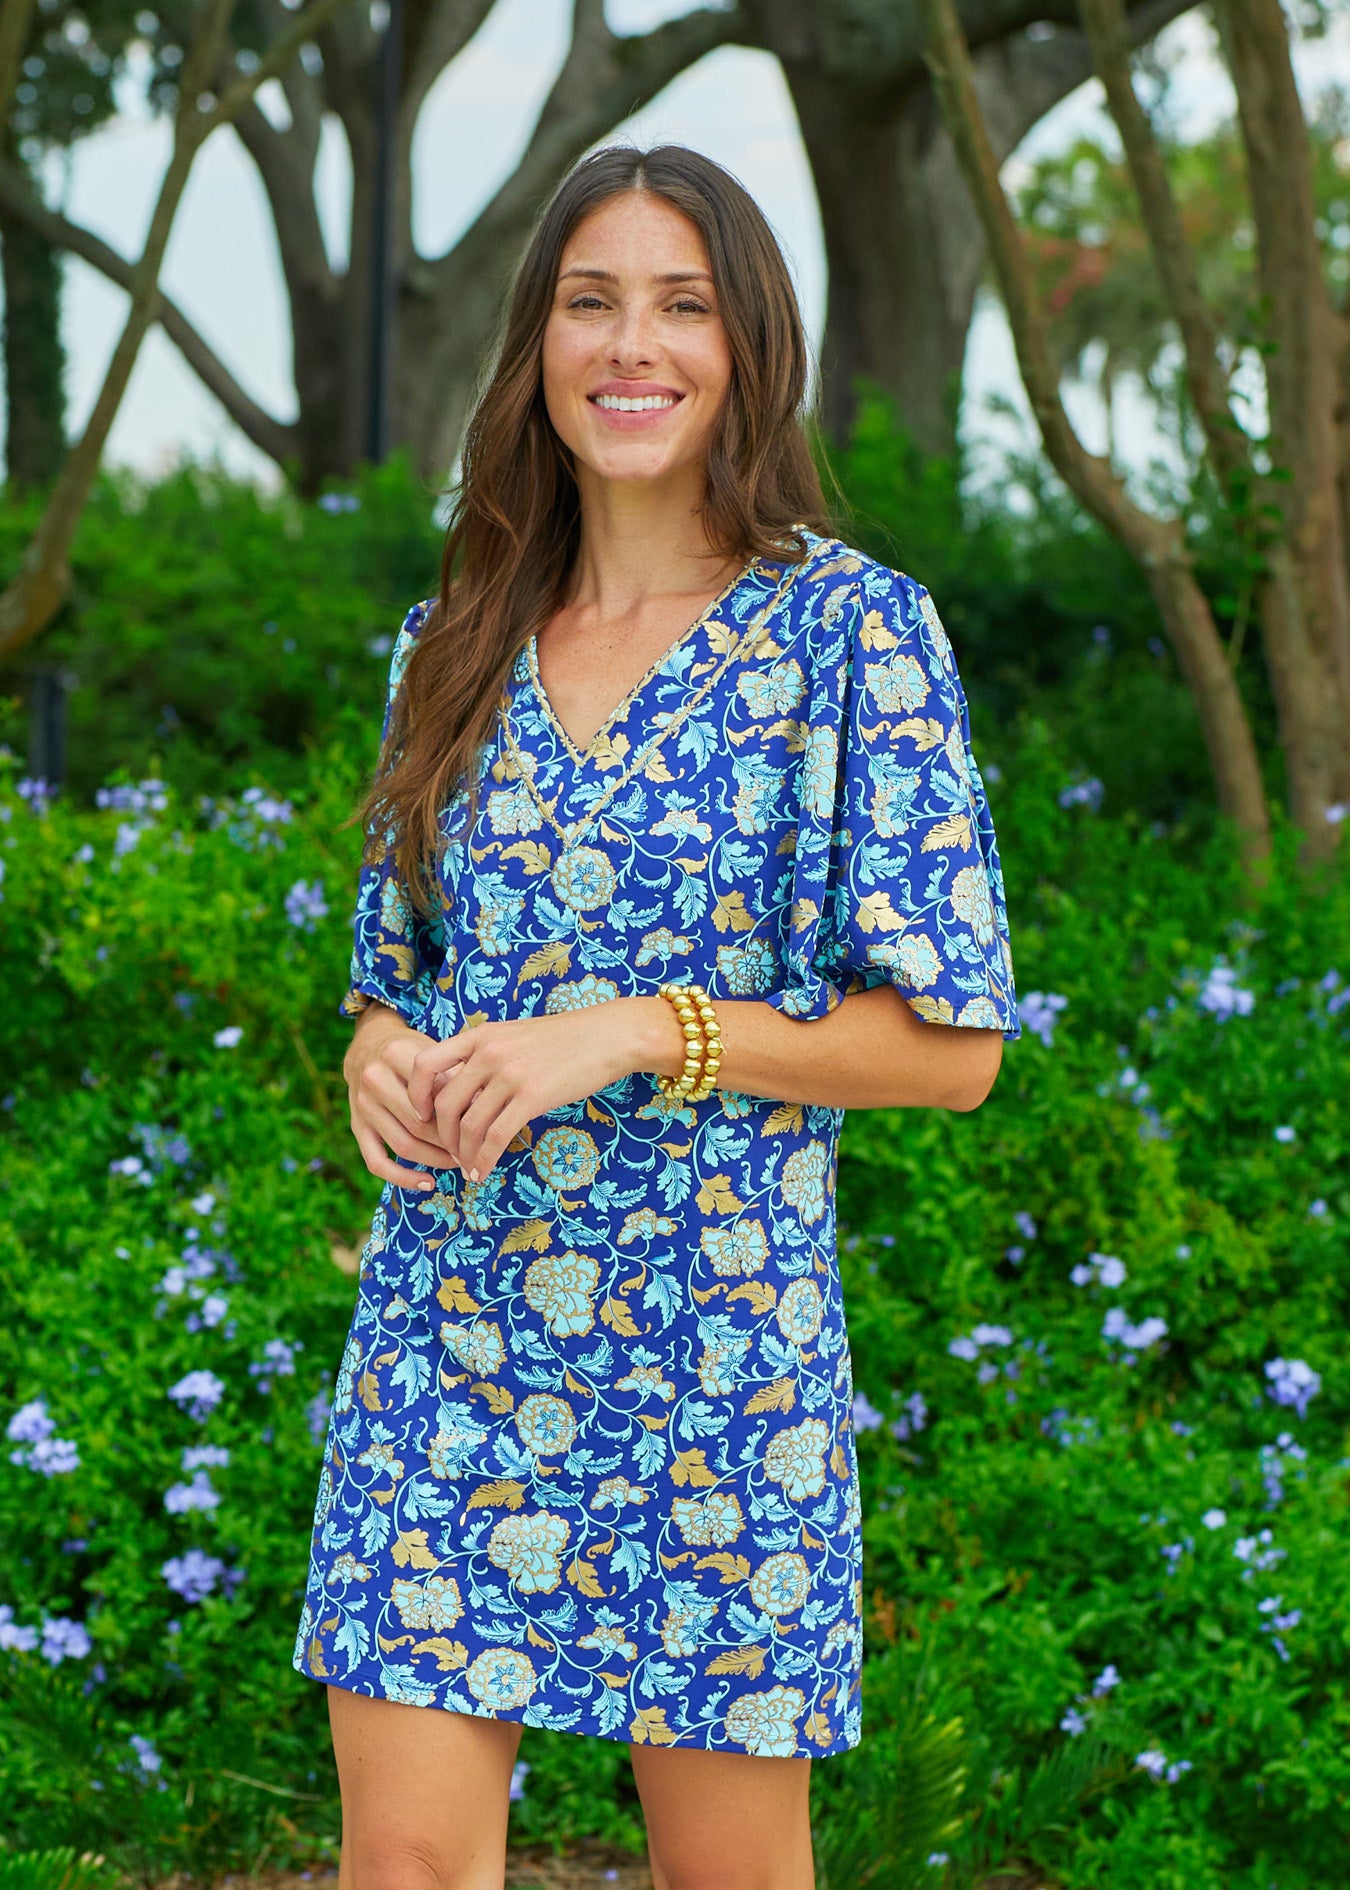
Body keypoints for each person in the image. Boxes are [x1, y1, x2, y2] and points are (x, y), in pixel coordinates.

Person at [293, 142, 1020, 1890]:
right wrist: (378, 1062)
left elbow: (954, 1047)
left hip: (720, 1364)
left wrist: (632, 1029)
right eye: (591, 301)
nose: (633, 345)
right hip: (447, 1338)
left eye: (682, 304)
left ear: (747, 345)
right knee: (401, 1865)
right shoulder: (449, 639)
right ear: (537, 346)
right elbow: (390, 986)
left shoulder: (851, 635)